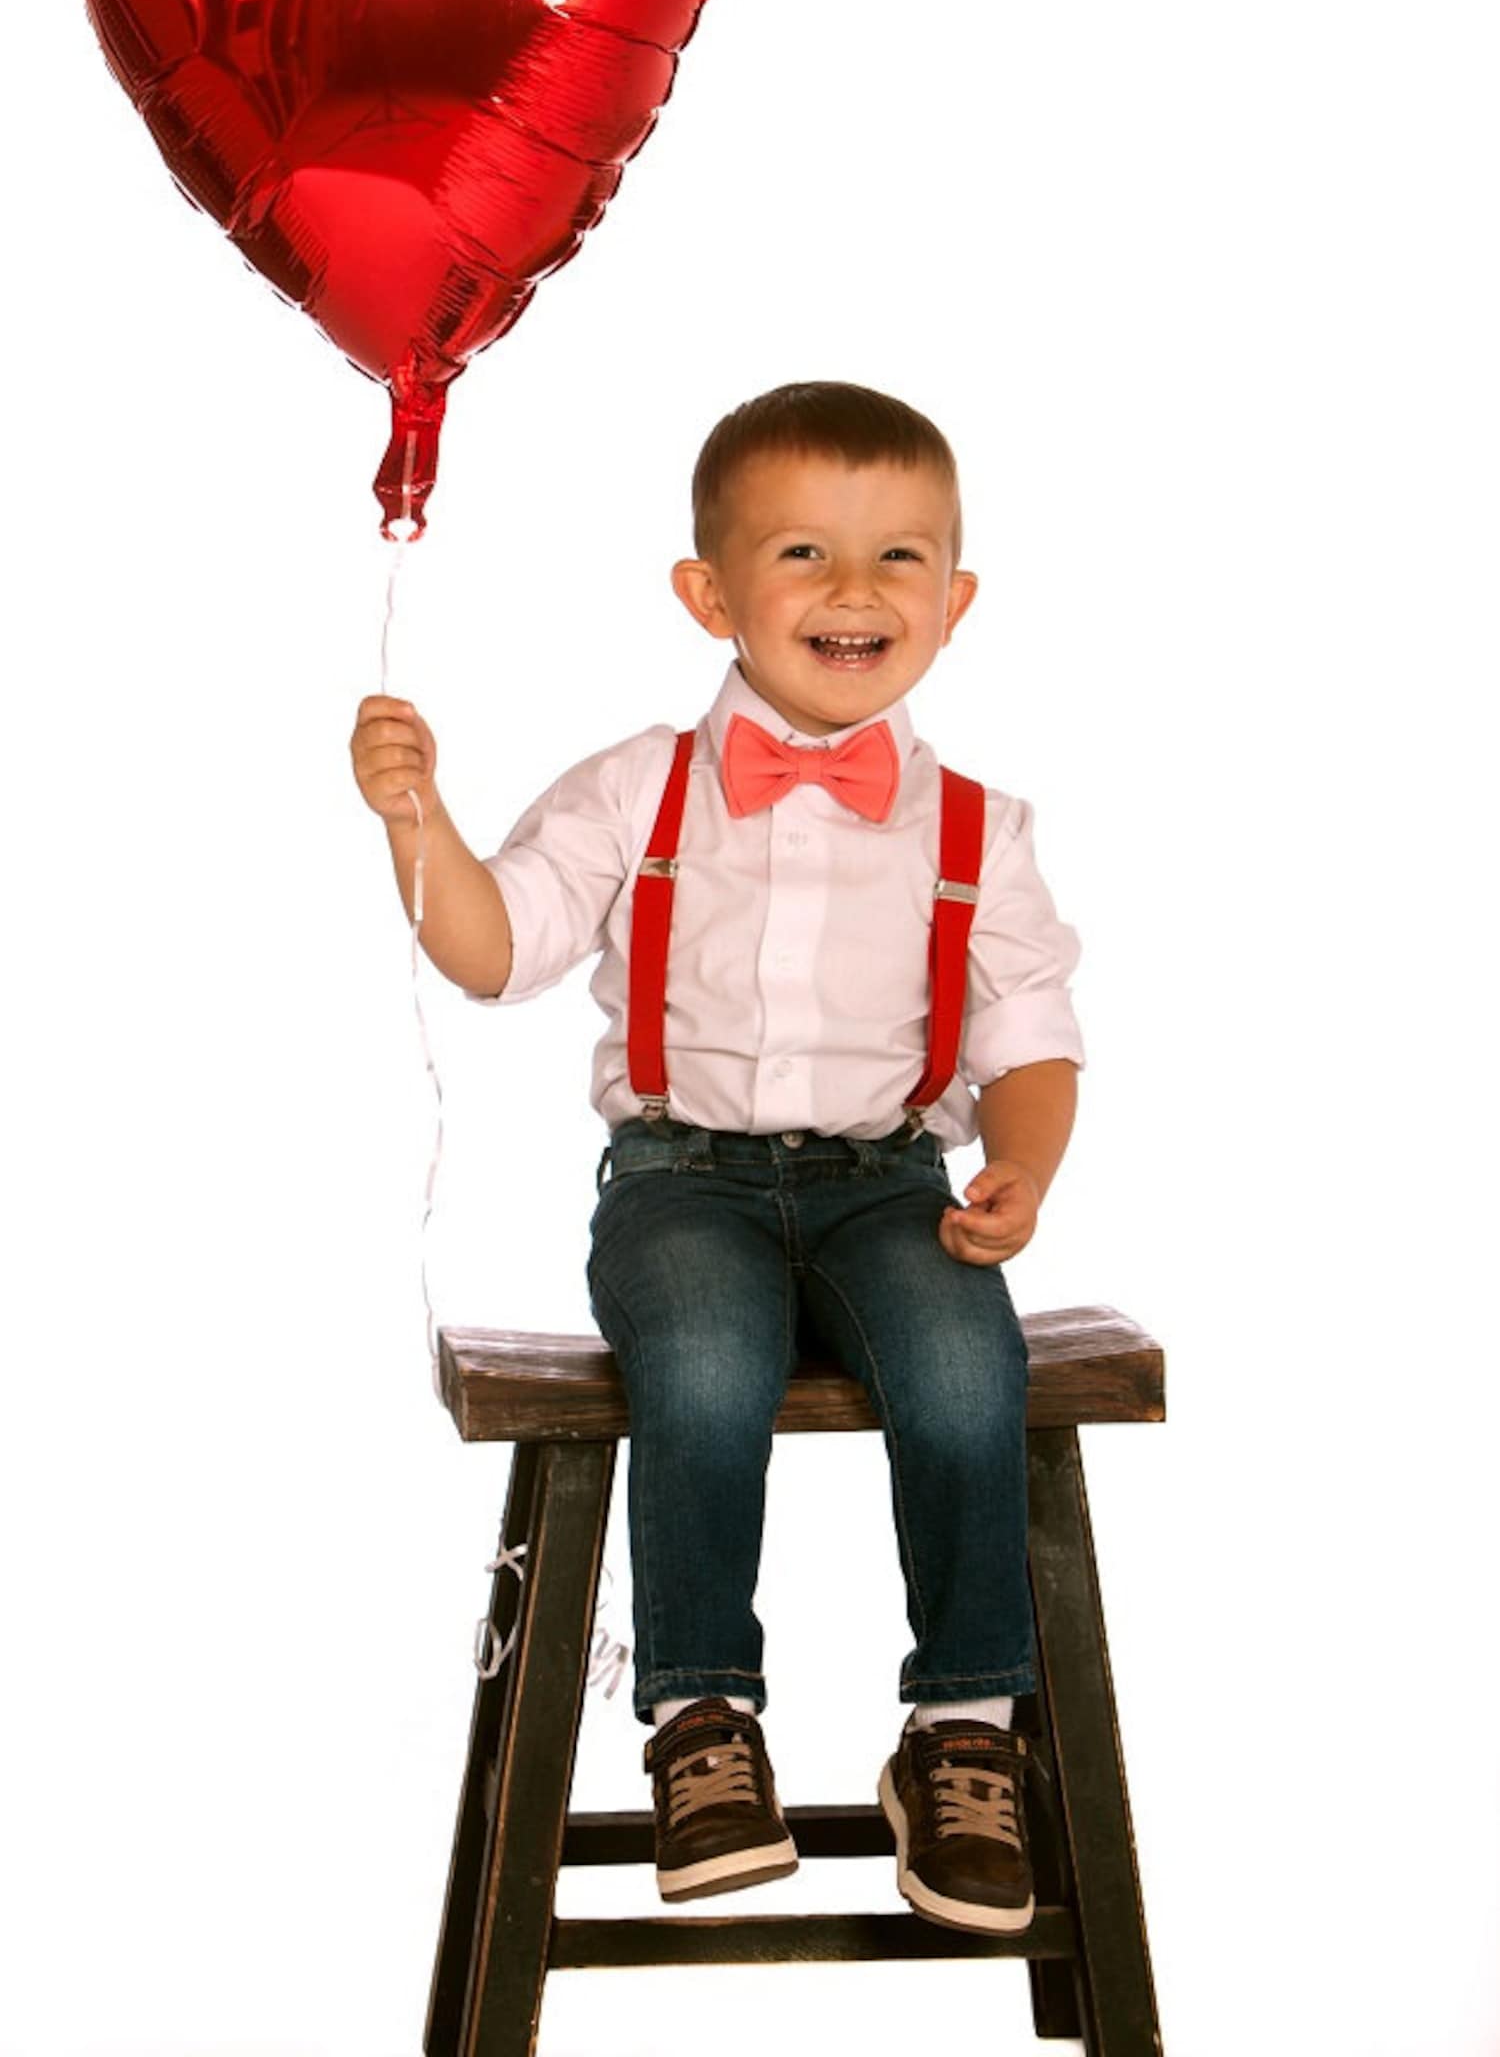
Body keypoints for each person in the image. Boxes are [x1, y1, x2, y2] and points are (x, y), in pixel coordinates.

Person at [349, 381, 1084, 1936]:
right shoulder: (639, 788)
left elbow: (1029, 1033)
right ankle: (702, 1718)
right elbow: (498, 951)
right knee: (700, 1364)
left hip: (890, 1184)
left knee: (966, 1372)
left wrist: (1020, 1168)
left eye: (898, 558)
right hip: (683, 1184)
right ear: (710, 594)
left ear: (955, 600)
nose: (854, 588)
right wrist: (419, 819)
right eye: (804, 551)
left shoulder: (982, 826)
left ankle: (963, 1728)